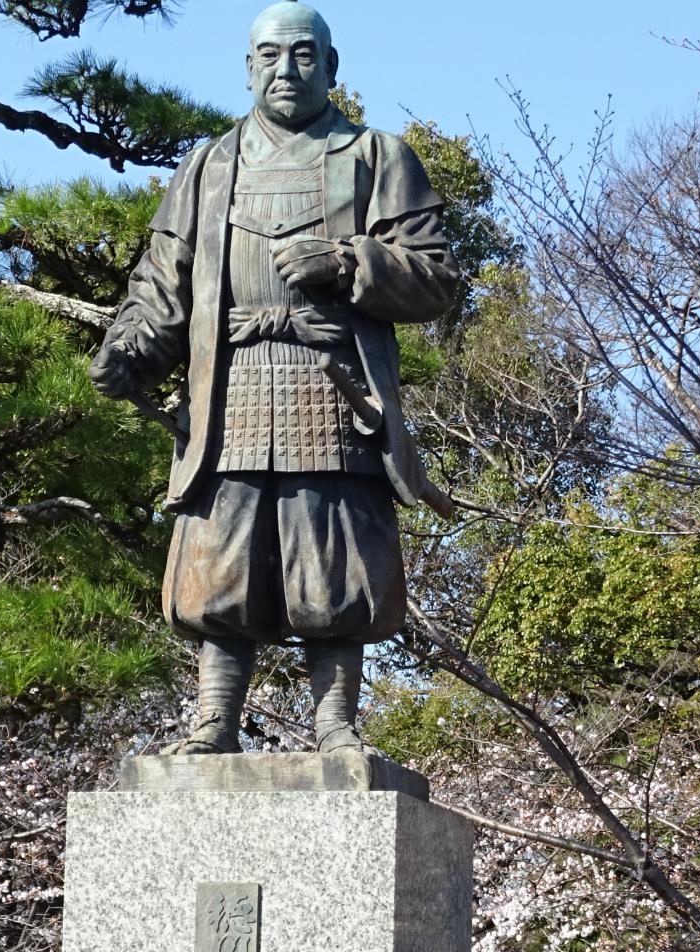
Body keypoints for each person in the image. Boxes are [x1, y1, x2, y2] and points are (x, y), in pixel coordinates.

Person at [90, 1, 462, 756]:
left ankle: (336, 725)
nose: (286, 70)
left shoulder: (375, 157)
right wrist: (130, 347)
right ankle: (213, 721)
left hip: (332, 389)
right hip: (227, 395)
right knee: (220, 564)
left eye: (302, 55)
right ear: (247, 66)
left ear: (331, 64)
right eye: (270, 55)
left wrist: (350, 261)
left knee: (333, 563)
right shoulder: (206, 166)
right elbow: (163, 282)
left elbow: (436, 277)